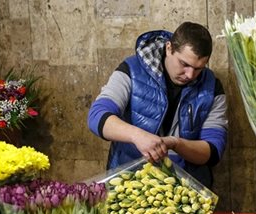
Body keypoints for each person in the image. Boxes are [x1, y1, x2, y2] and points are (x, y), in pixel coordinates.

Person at [88, 22, 228, 188]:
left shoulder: (212, 87)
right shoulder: (131, 70)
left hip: (185, 192)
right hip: (129, 185)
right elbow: (97, 116)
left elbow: (213, 151)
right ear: (169, 48)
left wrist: (176, 143)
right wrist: (137, 136)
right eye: (184, 64)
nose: (190, 75)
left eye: (198, 68)